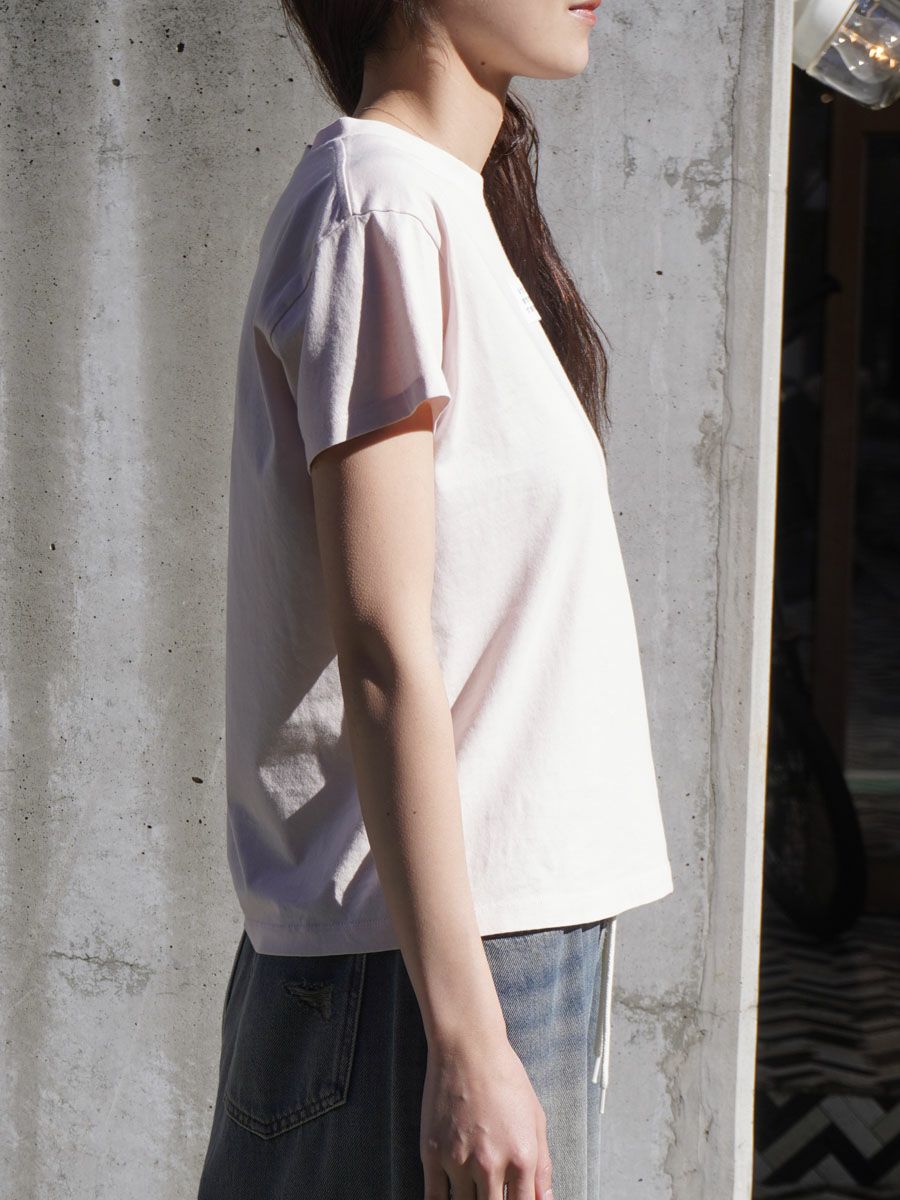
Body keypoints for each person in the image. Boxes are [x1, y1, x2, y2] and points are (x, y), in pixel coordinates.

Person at [197, 2, 674, 1197]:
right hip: (424, 969)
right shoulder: (377, 204)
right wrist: (466, 1038)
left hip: (481, 941)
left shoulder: (440, 206)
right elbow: (381, 645)